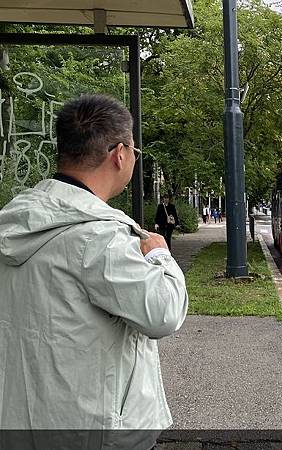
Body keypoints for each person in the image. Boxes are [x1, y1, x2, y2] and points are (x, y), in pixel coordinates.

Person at [0, 94, 188, 449]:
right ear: (120, 154)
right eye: (135, 151)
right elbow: (164, 313)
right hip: (93, 429)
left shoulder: (14, 220)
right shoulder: (102, 238)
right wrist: (161, 256)